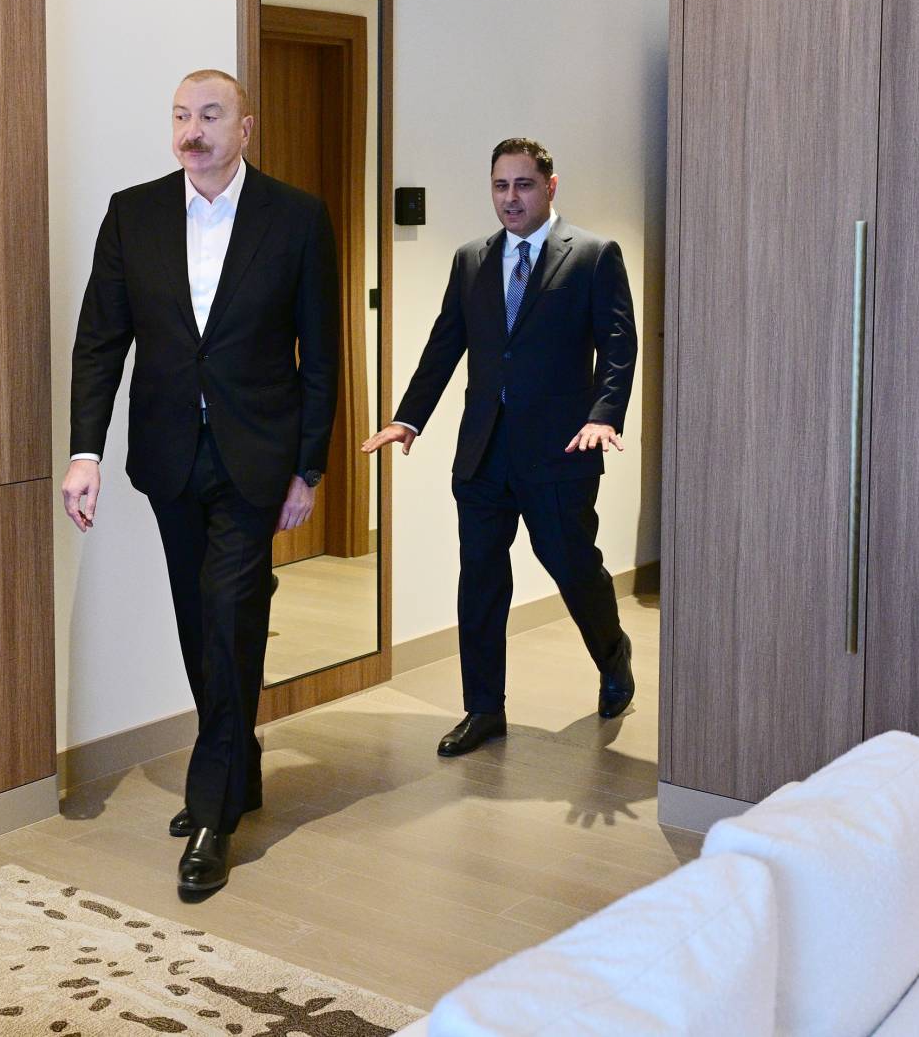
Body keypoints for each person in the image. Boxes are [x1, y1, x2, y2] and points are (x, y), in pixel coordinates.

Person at [64, 70, 338, 897]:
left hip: (258, 456)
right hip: (171, 453)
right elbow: (100, 343)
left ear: (244, 127)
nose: (193, 130)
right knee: (198, 616)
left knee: (229, 611)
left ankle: (213, 811)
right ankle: (239, 762)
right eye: (182, 115)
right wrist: (85, 453)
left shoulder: (296, 217)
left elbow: (321, 354)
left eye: (211, 115)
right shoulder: (134, 213)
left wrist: (310, 466)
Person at [363, 137, 635, 756]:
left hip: (561, 450)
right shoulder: (471, 260)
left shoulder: (592, 255)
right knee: (481, 580)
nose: (510, 198)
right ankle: (484, 708)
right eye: (500, 186)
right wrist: (409, 418)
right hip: (483, 451)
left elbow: (619, 346)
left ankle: (612, 651)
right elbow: (444, 345)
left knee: (572, 566)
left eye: (523, 185)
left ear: (550, 186)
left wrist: (604, 415)